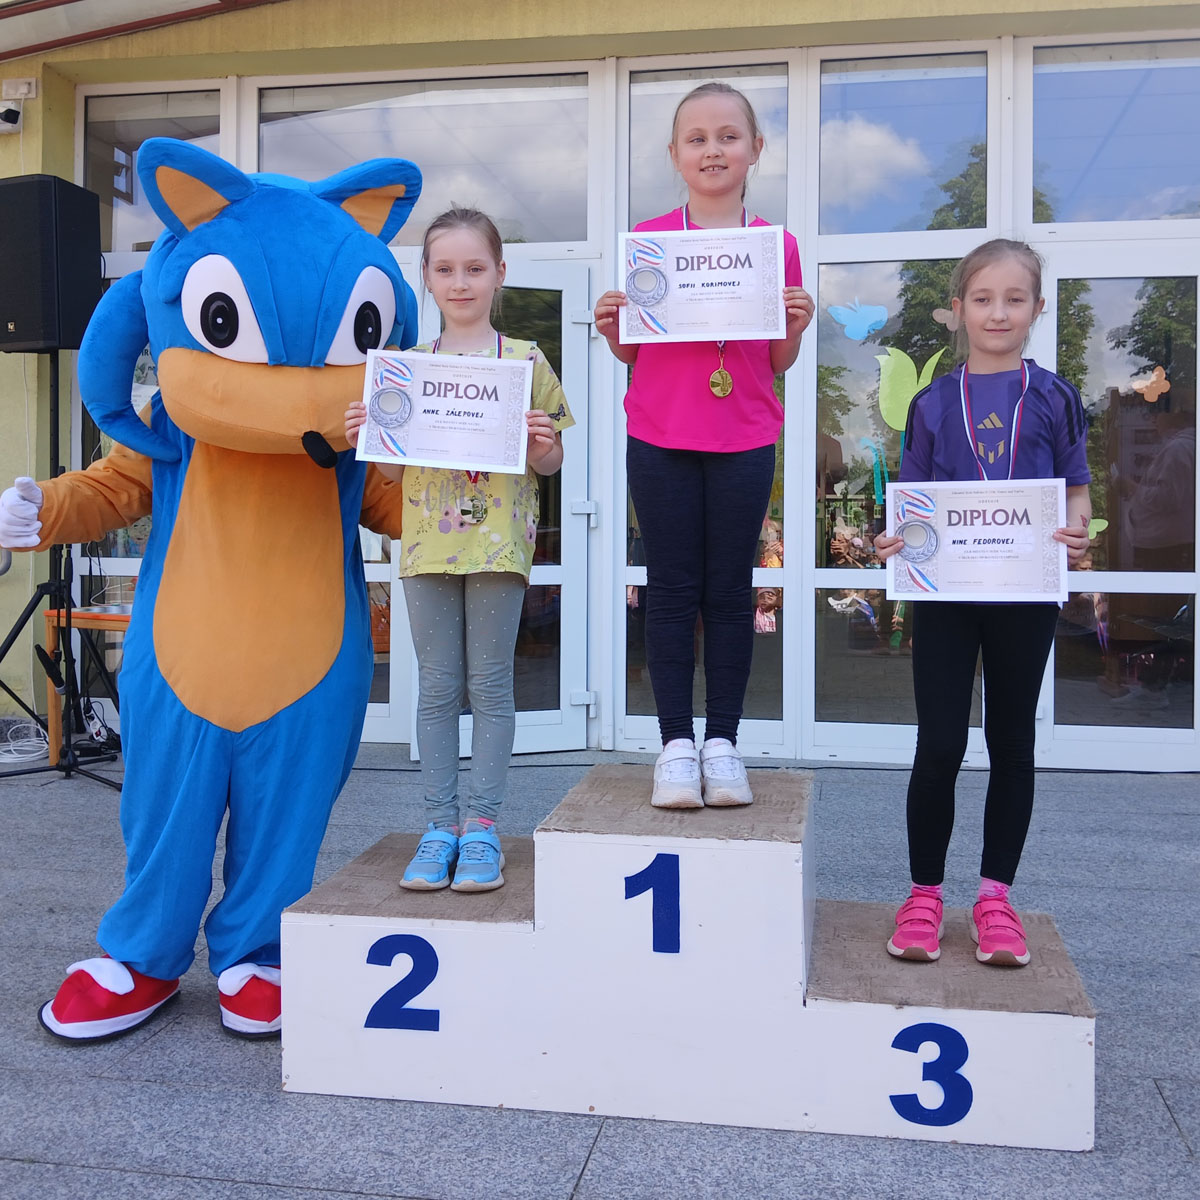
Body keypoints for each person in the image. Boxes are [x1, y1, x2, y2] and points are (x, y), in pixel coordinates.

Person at [593, 81, 813, 809]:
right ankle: (675, 747)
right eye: (697, 138)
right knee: (670, 589)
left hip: (744, 434)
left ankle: (722, 744)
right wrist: (612, 328)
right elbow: (634, 354)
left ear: (756, 149)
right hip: (659, 433)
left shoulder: (777, 247)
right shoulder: (650, 240)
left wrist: (796, 326)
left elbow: (775, 362)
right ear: (675, 154)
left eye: (728, 136)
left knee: (729, 591)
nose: (712, 149)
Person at [874, 238, 1093, 967]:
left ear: (1037, 308)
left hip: (1025, 595)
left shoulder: (1057, 397)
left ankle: (995, 900)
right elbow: (913, 503)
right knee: (939, 742)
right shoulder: (932, 404)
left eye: (1014, 299)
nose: (998, 313)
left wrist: (1078, 534)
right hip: (948, 596)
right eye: (983, 298)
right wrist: (895, 539)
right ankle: (924, 896)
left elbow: (1075, 491)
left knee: (1011, 742)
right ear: (958, 310)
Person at [347, 206, 572, 892]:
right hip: (427, 547)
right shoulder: (406, 370)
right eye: (445, 269)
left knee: (491, 684)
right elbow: (391, 474)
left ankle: (483, 828)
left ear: (500, 273)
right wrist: (371, 435)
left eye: (475, 268)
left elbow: (552, 462)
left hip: (499, 544)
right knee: (439, 685)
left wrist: (542, 444)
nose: (461, 282)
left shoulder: (526, 360)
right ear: (426, 276)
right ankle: (439, 824)